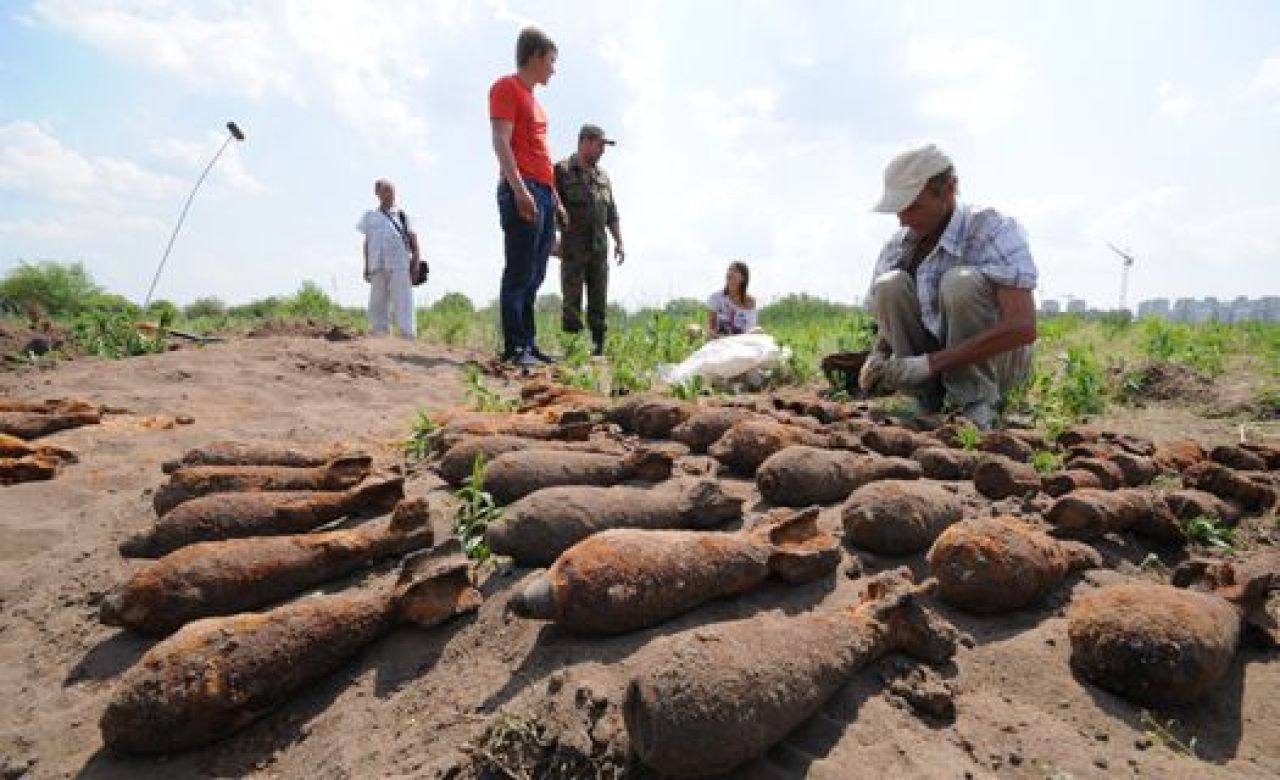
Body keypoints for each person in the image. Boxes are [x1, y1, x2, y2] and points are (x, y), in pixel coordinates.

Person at [859, 144, 1038, 429]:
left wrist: (928, 364)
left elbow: (1023, 327)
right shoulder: (900, 245)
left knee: (960, 282)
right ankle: (926, 400)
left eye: (912, 206)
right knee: (889, 284)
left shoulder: (992, 229)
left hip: (997, 368)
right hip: (935, 370)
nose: (902, 219)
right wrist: (879, 355)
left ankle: (975, 403)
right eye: (898, 208)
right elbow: (892, 318)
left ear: (949, 190)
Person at [489, 25, 567, 367]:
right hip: (522, 189)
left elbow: (541, 153)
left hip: (543, 192)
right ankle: (515, 348)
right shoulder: (507, 87)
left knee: (535, 274)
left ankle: (529, 345)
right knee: (519, 271)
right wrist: (519, 189)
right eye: (551, 60)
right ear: (535, 56)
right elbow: (501, 141)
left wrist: (555, 200)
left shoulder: (537, 103)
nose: (554, 68)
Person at [554, 124, 625, 356]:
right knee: (572, 299)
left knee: (598, 298)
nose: (602, 151)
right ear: (585, 142)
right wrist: (551, 241)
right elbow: (552, 206)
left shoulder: (603, 177)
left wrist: (619, 241)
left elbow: (611, 212)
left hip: (599, 249)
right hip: (573, 247)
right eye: (599, 145)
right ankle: (572, 350)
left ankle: (598, 349)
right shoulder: (562, 170)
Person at [356, 179, 421, 338]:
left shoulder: (403, 215)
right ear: (377, 193)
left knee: (403, 302)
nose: (389, 194)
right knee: (377, 302)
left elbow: (414, 242)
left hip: (400, 265)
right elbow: (366, 243)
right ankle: (380, 336)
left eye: (391, 190)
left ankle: (408, 336)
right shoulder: (370, 217)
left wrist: (416, 265)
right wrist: (366, 267)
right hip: (377, 264)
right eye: (385, 190)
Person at [707, 261, 758, 337]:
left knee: (758, 330)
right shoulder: (716, 298)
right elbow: (711, 328)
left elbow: (750, 328)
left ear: (743, 278)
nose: (730, 273)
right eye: (729, 270)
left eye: (735, 271)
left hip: (742, 341)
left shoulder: (751, 302)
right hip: (720, 339)